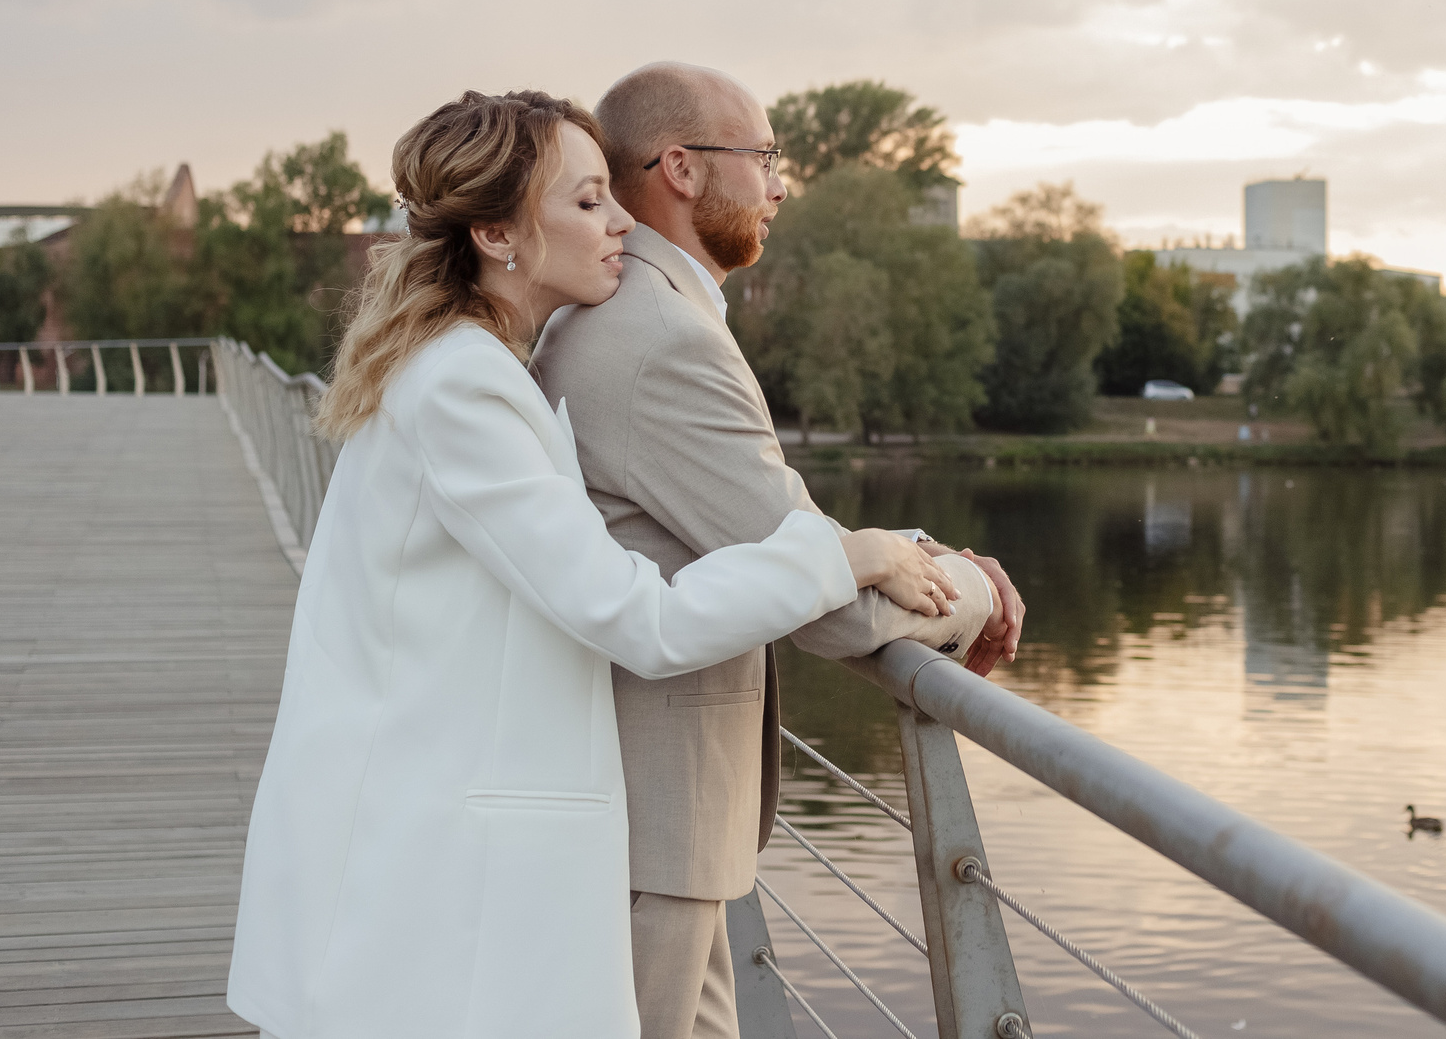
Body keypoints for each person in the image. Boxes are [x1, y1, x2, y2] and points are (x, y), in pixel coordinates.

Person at [225, 91, 964, 1039]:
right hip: (428, 843)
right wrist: (844, 552)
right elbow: (640, 620)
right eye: (586, 202)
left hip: (431, 817)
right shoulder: (463, 389)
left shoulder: (477, 364)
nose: (621, 220)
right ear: (499, 232)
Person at [531, 61, 1028, 1039]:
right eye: (762, 156)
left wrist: (908, 546)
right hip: (652, 827)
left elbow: (783, 535)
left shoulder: (623, 315)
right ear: (680, 167)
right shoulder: (655, 336)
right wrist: (972, 588)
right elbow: (830, 601)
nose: (779, 184)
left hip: (649, 820)